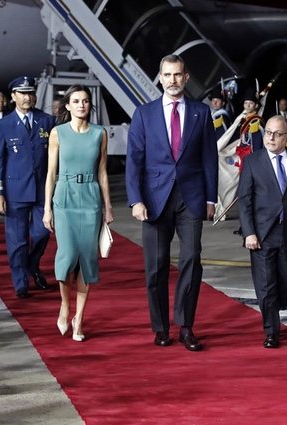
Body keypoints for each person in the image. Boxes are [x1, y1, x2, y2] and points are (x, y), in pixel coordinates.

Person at [126, 54, 218, 352]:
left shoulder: (201, 113)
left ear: (186, 77)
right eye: (167, 75)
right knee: (156, 267)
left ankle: (186, 326)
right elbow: (134, 162)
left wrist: (210, 197)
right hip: (154, 200)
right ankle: (161, 327)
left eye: (178, 75)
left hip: (191, 198)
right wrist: (136, 200)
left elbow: (209, 158)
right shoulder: (144, 113)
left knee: (191, 260)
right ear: (160, 77)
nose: (173, 81)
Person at [42, 85, 113, 342]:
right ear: (68, 106)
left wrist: (108, 207)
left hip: (91, 198)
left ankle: (79, 319)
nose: (81, 105)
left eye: (85, 101)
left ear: (89, 105)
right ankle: (64, 305)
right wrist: (47, 208)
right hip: (64, 196)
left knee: (87, 260)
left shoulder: (99, 134)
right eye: (76, 101)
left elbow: (103, 172)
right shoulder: (57, 133)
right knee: (68, 255)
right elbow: (50, 173)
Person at [238, 115, 287, 348]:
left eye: (277, 134)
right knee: (266, 284)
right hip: (261, 234)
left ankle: (275, 302)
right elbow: (245, 201)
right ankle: (272, 331)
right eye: (268, 133)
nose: (271, 138)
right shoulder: (253, 162)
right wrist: (248, 232)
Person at [0, 76, 56, 298]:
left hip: (42, 191)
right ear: (13, 96)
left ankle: (32, 265)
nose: (27, 97)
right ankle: (20, 283)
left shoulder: (47, 121)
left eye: (30, 93)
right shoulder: (3, 125)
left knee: (42, 234)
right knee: (17, 240)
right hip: (14, 192)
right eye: (22, 93)